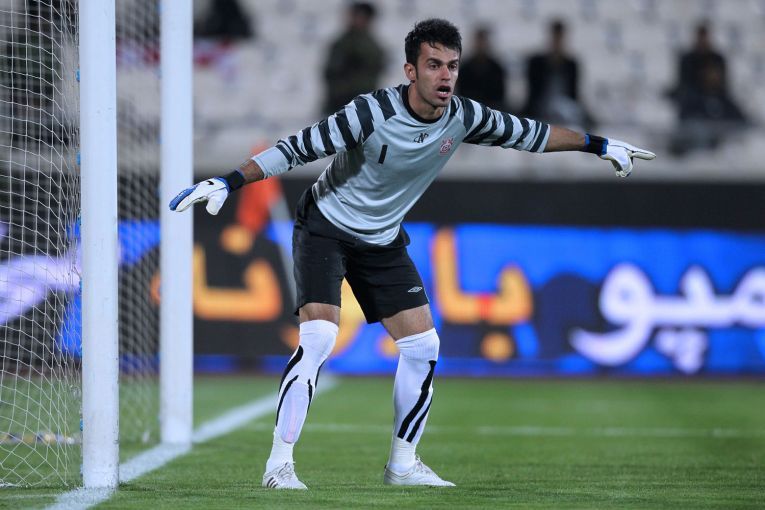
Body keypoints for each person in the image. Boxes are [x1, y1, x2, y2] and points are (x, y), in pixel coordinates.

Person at [170, 18, 654, 490]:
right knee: (319, 337)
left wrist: (598, 144)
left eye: (452, 66)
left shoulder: (463, 116)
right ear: (410, 71)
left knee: (424, 347)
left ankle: (402, 465)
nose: (445, 76)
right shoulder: (371, 113)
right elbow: (296, 148)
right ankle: (279, 465)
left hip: (381, 238)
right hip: (326, 227)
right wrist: (228, 181)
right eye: (434, 65)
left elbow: (532, 135)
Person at [668, 22, 747, 155]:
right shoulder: (687, 60)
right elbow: (683, 85)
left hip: (716, 100)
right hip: (694, 102)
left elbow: (724, 85)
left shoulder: (717, 59)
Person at [522, 20, 594, 129]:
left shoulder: (571, 64)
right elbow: (533, 93)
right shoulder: (536, 63)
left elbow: (574, 93)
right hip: (542, 109)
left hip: (566, 109)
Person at [322, 2, 386, 115]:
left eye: (363, 17)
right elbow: (330, 73)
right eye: (357, 16)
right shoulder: (341, 44)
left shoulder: (372, 46)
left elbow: (375, 71)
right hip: (339, 104)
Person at [456, 26, 508, 111]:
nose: (481, 45)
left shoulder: (497, 69)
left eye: (483, 41)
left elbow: (499, 97)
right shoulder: (464, 69)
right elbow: (462, 96)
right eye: (479, 42)